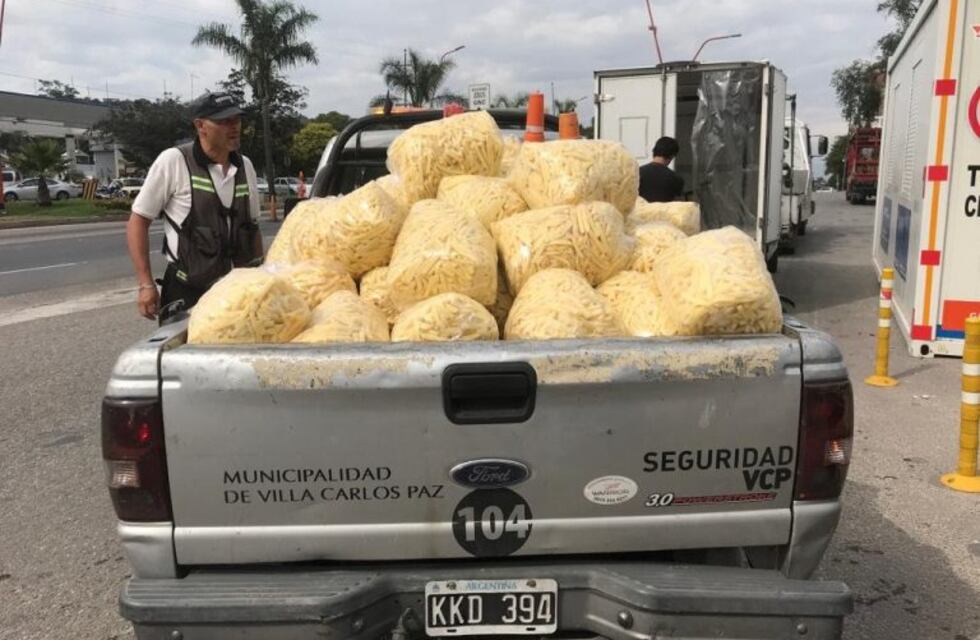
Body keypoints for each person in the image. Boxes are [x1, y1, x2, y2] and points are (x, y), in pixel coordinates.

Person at [126, 91, 263, 322]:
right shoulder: (174, 161)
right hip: (188, 292)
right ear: (200, 125)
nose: (234, 127)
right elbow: (138, 222)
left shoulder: (245, 166)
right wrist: (146, 285)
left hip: (239, 294)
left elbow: (253, 227)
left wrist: (262, 277)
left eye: (237, 120)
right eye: (223, 121)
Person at [638, 136, 685, 203]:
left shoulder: (637, 173)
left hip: (640, 213)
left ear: (654, 151)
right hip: (665, 213)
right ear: (672, 155)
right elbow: (680, 207)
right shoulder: (676, 179)